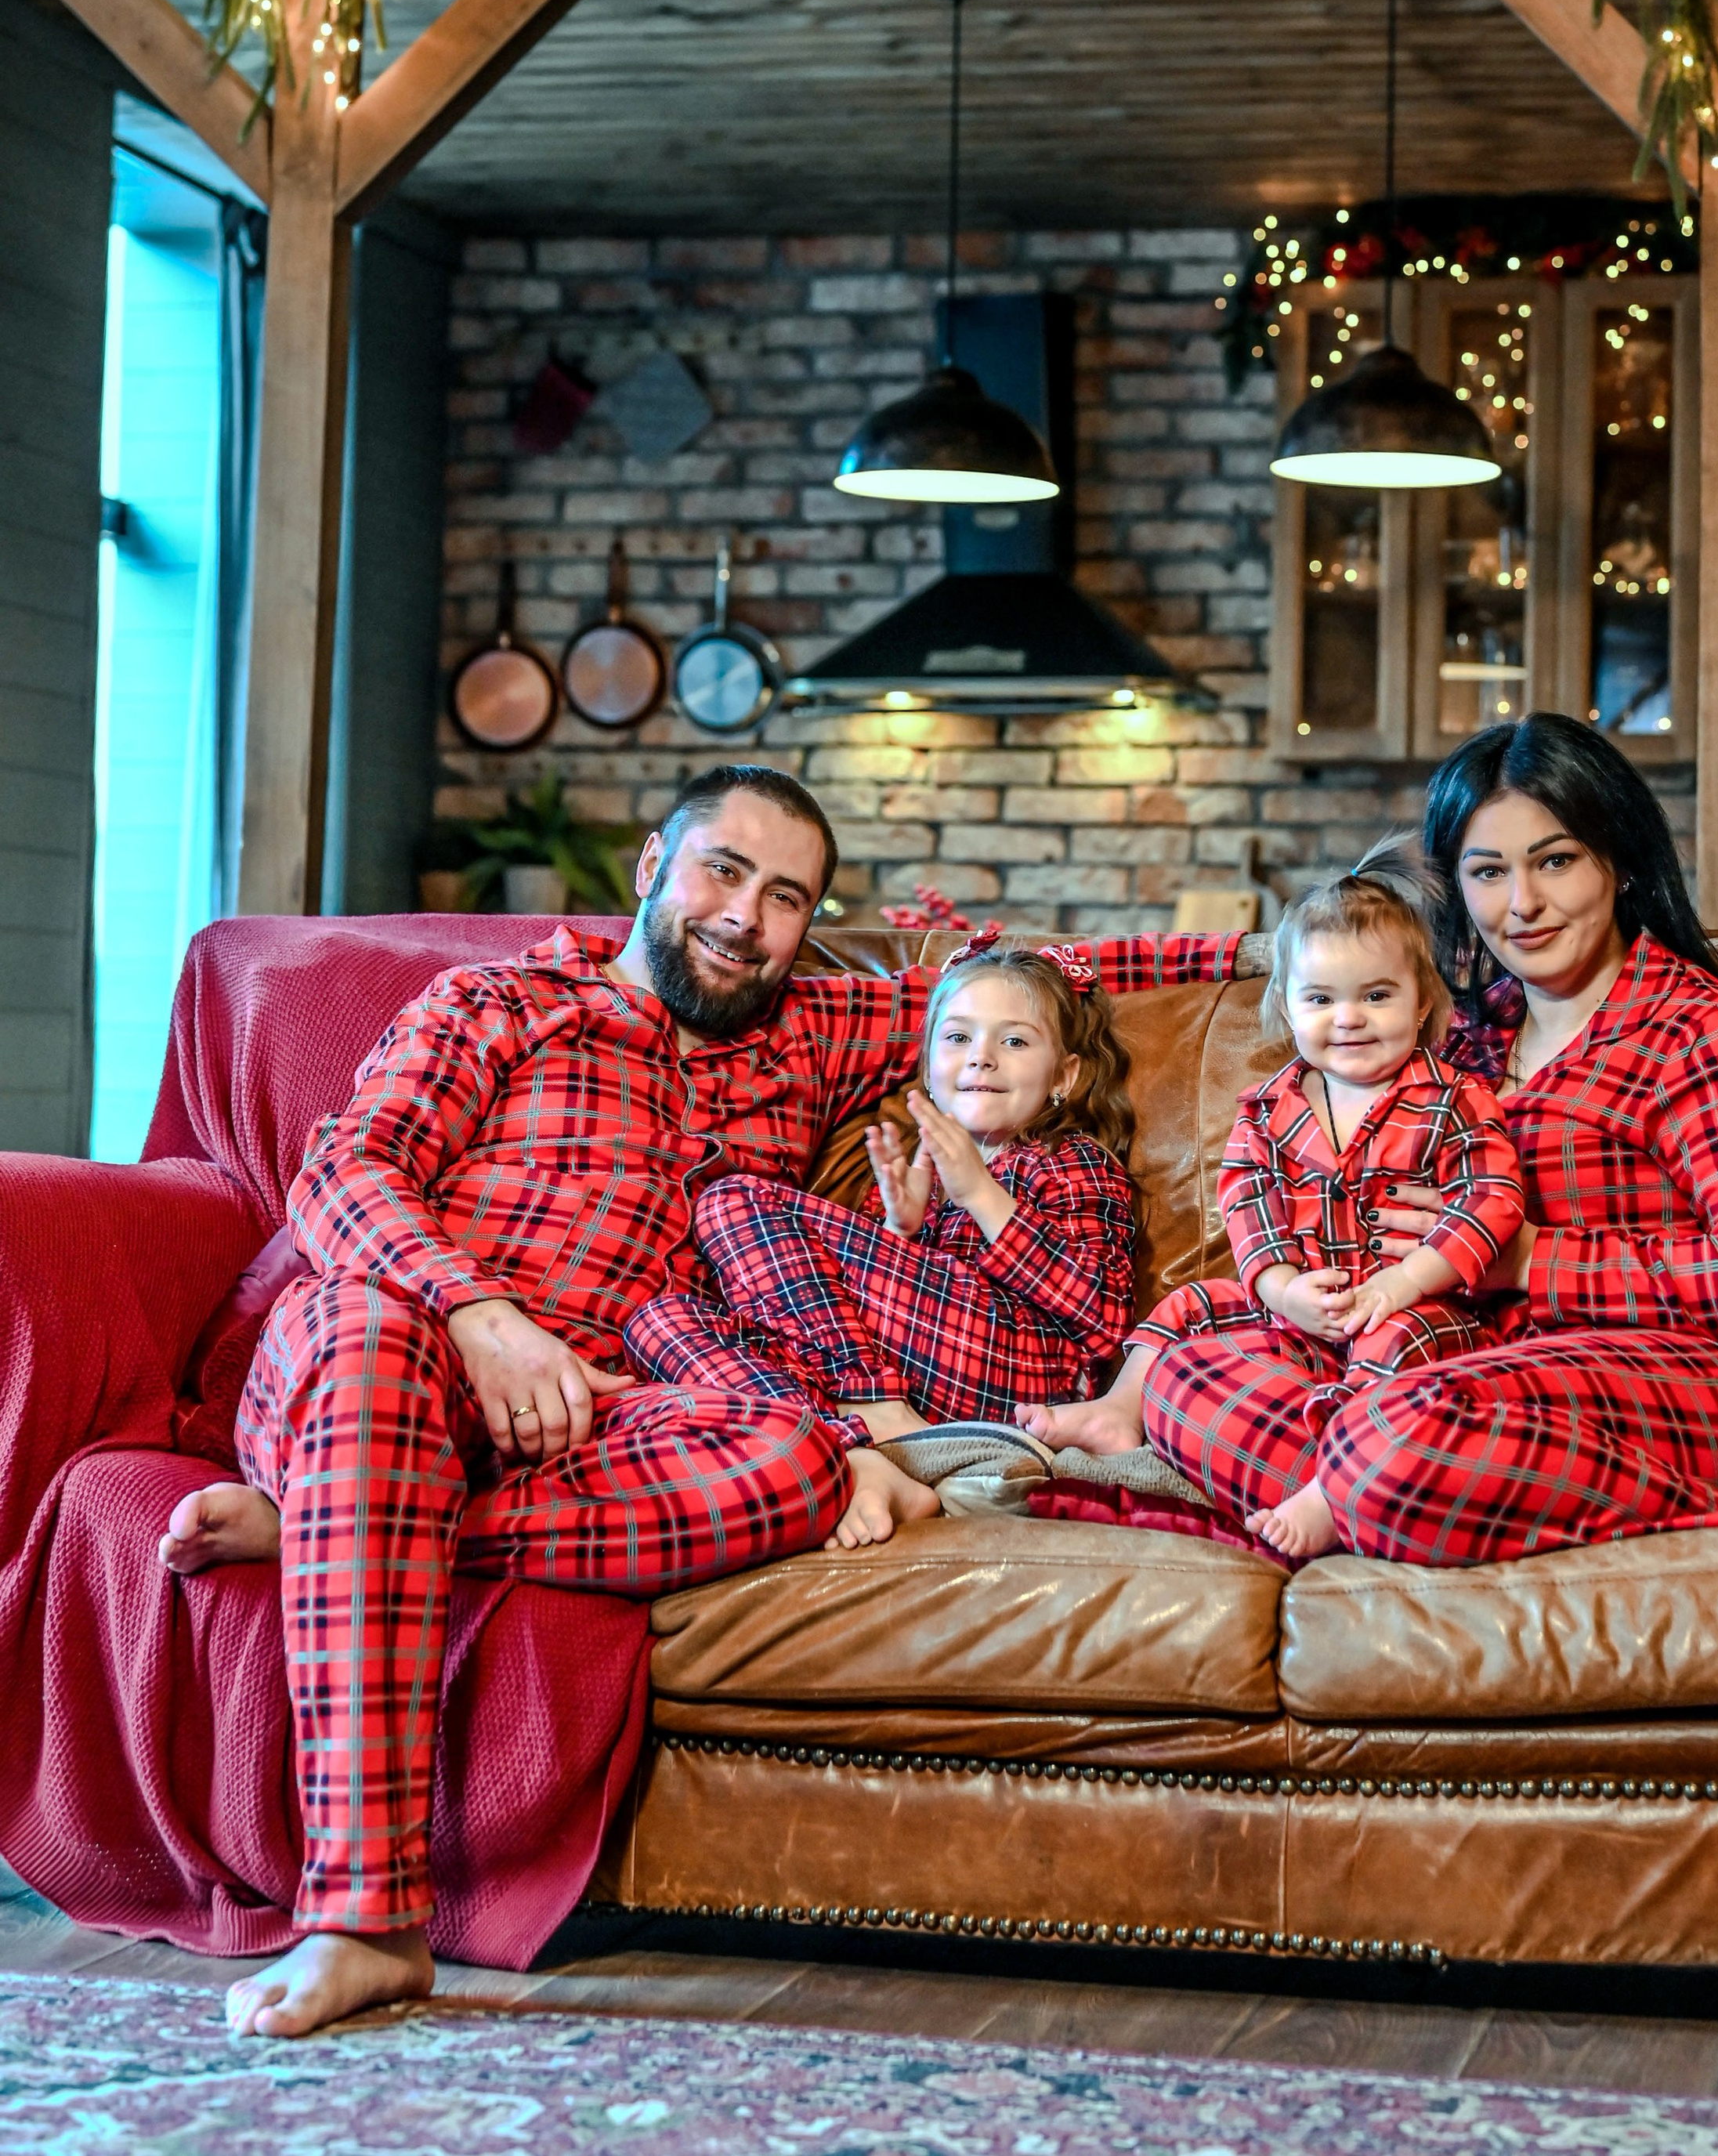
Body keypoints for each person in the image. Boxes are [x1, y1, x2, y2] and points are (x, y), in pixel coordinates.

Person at [155, 761, 1257, 2041]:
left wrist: (1250, 943)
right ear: (650, 868)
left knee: (805, 1461)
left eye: (789, 898)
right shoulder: (504, 1002)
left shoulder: (811, 1026)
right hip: (409, 1332)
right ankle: (365, 1917)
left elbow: (1045, 981)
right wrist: (479, 1314)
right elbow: (349, 1173)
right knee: (371, 1349)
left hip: (612, 1404)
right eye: (723, 873)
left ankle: (337, 1530)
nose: (747, 916)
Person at [1028, 714, 1718, 1570]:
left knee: (1410, 1422)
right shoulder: (1457, 1042)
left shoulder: (1702, 1032)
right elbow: (1301, 953)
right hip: (1476, 1384)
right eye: (1487, 871)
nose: (1521, 903)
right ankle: (1374, 1487)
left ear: (1621, 859)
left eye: (1555, 860)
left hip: (1715, 1396)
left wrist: (1526, 1259)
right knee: (1183, 1375)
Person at [623, 942, 1139, 1547]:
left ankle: (872, 1416)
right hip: (917, 1387)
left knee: (731, 1200)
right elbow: (832, 1314)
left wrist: (981, 1194)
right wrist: (900, 1229)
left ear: (1065, 1075)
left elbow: (1104, 1321)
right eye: (958, 1038)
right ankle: (860, 1455)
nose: (983, 1059)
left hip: (1025, 1384)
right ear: (928, 1069)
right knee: (658, 1322)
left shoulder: (1071, 1161)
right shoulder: (917, 1172)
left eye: (1015, 1042)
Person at [1102, 846, 1521, 1560]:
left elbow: (1492, 1199)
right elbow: (1246, 1201)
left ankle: (1334, 1486)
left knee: (1400, 1343)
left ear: (1422, 1000)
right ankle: (1117, 1410)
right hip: (1302, 1315)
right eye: (1321, 999)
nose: (1349, 1018)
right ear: (1288, 1007)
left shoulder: (1455, 1101)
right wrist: (1280, 1288)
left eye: (1376, 995)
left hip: (1418, 1318)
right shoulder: (1268, 1110)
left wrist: (1403, 1282)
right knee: (1193, 1313)